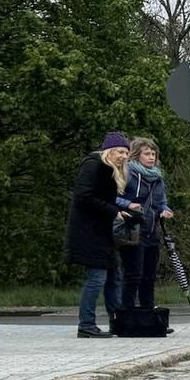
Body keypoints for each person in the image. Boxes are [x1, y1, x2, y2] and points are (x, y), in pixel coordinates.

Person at [65, 132, 136, 337]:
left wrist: (119, 211)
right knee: (96, 277)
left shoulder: (111, 171)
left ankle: (118, 321)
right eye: (120, 152)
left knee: (115, 275)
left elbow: (104, 199)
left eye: (126, 153)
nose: (123, 156)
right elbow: (83, 196)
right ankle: (86, 324)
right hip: (88, 231)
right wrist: (112, 211)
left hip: (103, 230)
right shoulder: (93, 165)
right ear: (109, 151)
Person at [118, 137, 174, 310]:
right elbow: (112, 197)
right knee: (133, 274)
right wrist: (128, 204)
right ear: (137, 155)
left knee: (149, 276)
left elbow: (160, 202)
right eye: (147, 154)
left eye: (153, 154)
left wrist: (165, 210)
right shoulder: (127, 173)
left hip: (152, 231)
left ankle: (147, 315)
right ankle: (126, 314)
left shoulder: (158, 178)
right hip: (133, 229)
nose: (151, 157)